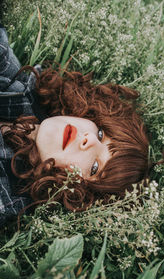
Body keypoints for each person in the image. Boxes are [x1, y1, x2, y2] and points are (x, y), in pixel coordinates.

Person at [0, 24, 149, 227]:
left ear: (78, 193)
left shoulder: (8, 197)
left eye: (95, 167)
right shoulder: (21, 90)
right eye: (101, 133)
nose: (88, 140)